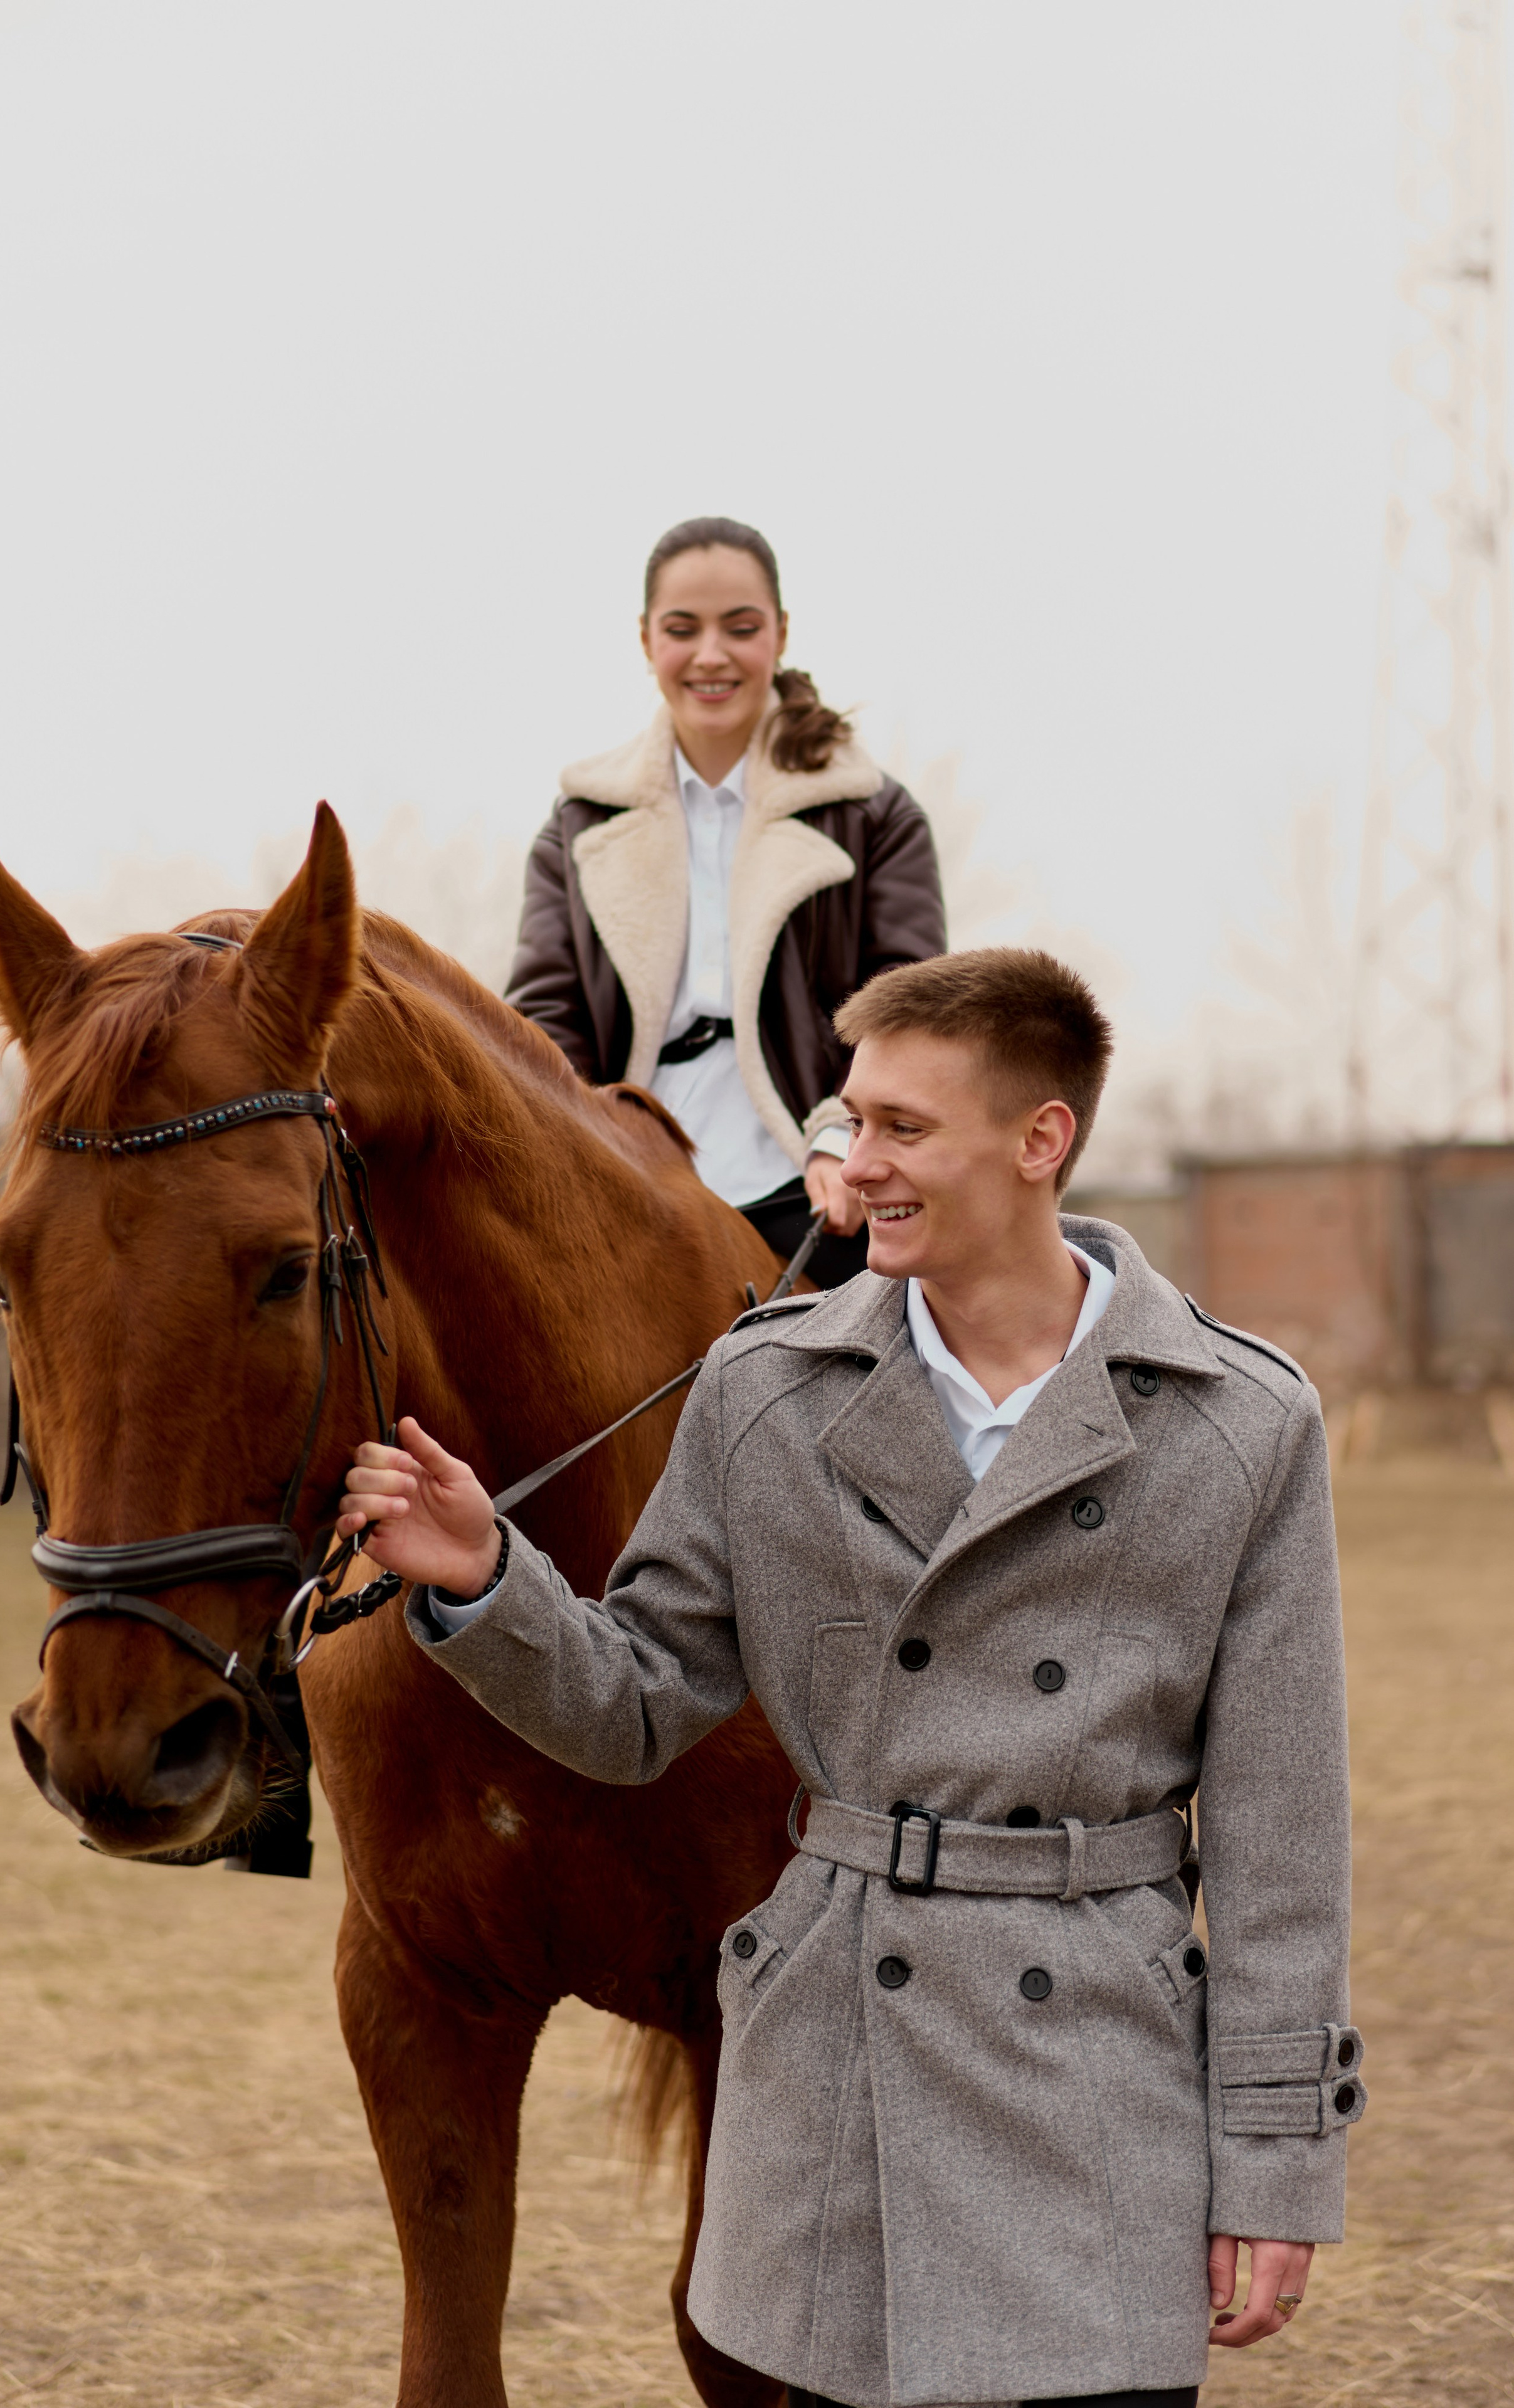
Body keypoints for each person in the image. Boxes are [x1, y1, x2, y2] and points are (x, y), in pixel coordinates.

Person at [337, 948, 1363, 2408]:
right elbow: (636, 1706)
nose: (850, 1163)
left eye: (899, 1128)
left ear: (1039, 1139)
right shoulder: (762, 1388)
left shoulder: (1238, 1422)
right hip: (833, 2075)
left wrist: (1272, 2156)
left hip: (1101, 2076)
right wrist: (485, 1575)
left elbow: (1278, 1838)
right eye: (850, 1119)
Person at [506, 514, 946, 1285]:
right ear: (647, 640)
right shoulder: (577, 825)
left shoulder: (876, 815)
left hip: (815, 1173)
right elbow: (544, 1021)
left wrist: (847, 1137)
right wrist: (579, 1154)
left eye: (740, 628)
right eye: (683, 629)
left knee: (916, 1328)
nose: (711, 654)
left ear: (780, 633)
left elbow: (907, 1011)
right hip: (627, 1173)